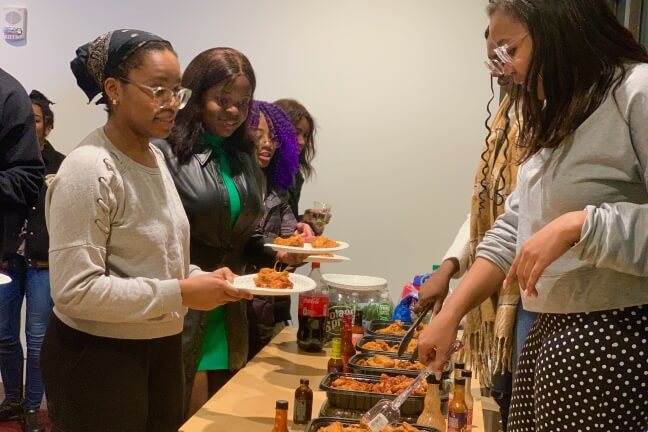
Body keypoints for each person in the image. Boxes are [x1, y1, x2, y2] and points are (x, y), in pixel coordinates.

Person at [419, 1, 648, 430]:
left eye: (508, 51)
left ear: (558, 27)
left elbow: (572, 226)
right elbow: (511, 230)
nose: (502, 70)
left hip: (618, 336)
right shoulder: (559, 114)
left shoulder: (637, 91)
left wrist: (582, 224)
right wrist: (452, 311)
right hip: (550, 333)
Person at [41, 30, 251, 432]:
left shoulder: (154, 157)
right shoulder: (90, 168)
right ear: (113, 89)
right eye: (158, 90)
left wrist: (196, 277)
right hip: (99, 356)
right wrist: (182, 292)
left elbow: (154, 258)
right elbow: (74, 291)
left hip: (160, 345)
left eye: (177, 91)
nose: (172, 104)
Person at [155, 48, 307, 416]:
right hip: (183, 304)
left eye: (242, 102)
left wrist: (279, 252)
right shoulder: (164, 152)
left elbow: (243, 238)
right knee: (180, 413)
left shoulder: (243, 158)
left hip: (230, 305)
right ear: (195, 96)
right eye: (222, 100)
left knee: (225, 411)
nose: (234, 111)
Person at [416, 28, 525, 430]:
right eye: (494, 62)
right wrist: (447, 269)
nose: (499, 73)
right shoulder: (507, 118)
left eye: (507, 56)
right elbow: (491, 216)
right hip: (500, 289)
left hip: (529, 302)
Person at [0, 90, 64, 432]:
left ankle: (31, 406)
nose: (28, 125)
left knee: (37, 338)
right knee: (4, 336)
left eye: (35, 119)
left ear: (47, 126)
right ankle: (11, 399)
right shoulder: (6, 161)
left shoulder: (63, 164)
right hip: (8, 262)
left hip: (43, 264)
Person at [246, 100, 301, 359]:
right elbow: (244, 240)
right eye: (258, 135)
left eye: (273, 137)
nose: (267, 143)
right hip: (234, 299)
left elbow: (289, 239)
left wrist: (303, 238)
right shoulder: (234, 183)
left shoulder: (278, 188)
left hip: (268, 305)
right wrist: (280, 250)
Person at [273, 99, 317, 219]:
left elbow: (283, 224)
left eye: (305, 136)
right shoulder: (258, 171)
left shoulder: (295, 175)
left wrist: (305, 221)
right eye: (295, 133)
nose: (302, 141)